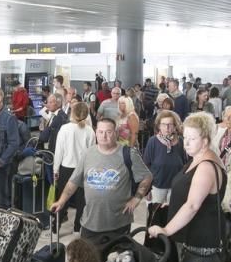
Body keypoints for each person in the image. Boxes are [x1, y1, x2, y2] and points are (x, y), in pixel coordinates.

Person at [148, 112, 226, 262]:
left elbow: (193, 205)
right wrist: (170, 206)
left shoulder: (206, 166)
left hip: (202, 237)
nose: (186, 143)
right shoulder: (195, 158)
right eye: (185, 138)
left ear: (205, 139)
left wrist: (166, 229)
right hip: (189, 236)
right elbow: (186, 194)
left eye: (192, 139)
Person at [51, 118, 152, 251]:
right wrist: (61, 201)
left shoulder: (128, 154)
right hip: (91, 223)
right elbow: (73, 182)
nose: (104, 136)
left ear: (116, 133)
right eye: (101, 132)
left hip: (118, 224)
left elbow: (147, 176)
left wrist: (137, 198)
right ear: (96, 133)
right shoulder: (88, 154)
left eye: (108, 132)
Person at [53, 102, 96, 233]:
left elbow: (59, 151)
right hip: (83, 169)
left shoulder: (65, 129)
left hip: (66, 168)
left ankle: (56, 225)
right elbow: (92, 153)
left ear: (72, 112)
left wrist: (55, 169)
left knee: (62, 198)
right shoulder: (90, 131)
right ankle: (78, 227)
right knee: (81, 200)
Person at [143, 111, 186, 205]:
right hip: (157, 187)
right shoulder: (153, 141)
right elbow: (145, 166)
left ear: (175, 126)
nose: (167, 128)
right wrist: (146, 189)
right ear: (159, 126)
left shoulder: (181, 142)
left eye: (170, 124)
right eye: (164, 124)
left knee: (173, 216)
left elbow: (185, 166)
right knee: (155, 217)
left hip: (175, 187)